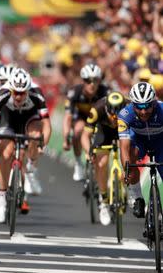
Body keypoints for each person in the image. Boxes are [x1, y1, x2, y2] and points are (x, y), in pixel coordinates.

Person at [0, 68, 51, 223]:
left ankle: (31, 169)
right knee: (6, 153)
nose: (19, 96)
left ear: (28, 89)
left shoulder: (37, 94)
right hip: (9, 120)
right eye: (16, 92)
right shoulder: (3, 93)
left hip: (30, 119)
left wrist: (43, 144)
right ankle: (1, 203)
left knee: (35, 136)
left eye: (22, 93)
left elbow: (47, 124)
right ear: (11, 89)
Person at [81, 91, 127, 226]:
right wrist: (89, 152)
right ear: (106, 110)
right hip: (103, 132)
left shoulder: (130, 107)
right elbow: (85, 135)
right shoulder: (97, 110)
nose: (114, 119)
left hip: (123, 131)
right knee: (101, 163)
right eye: (112, 115)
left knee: (128, 157)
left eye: (117, 116)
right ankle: (104, 200)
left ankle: (126, 189)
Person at [119, 82, 163, 218]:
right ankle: (137, 197)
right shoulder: (125, 114)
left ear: (154, 103)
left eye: (147, 106)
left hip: (160, 142)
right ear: (133, 105)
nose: (143, 112)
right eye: (139, 107)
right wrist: (127, 169)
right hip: (139, 142)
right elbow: (124, 146)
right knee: (131, 156)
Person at [63, 63, 109, 181]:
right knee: (78, 129)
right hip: (81, 117)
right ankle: (78, 163)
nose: (92, 84)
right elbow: (68, 117)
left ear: (100, 81)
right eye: (88, 81)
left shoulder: (105, 92)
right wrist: (65, 138)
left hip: (99, 119)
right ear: (83, 81)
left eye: (96, 80)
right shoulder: (74, 92)